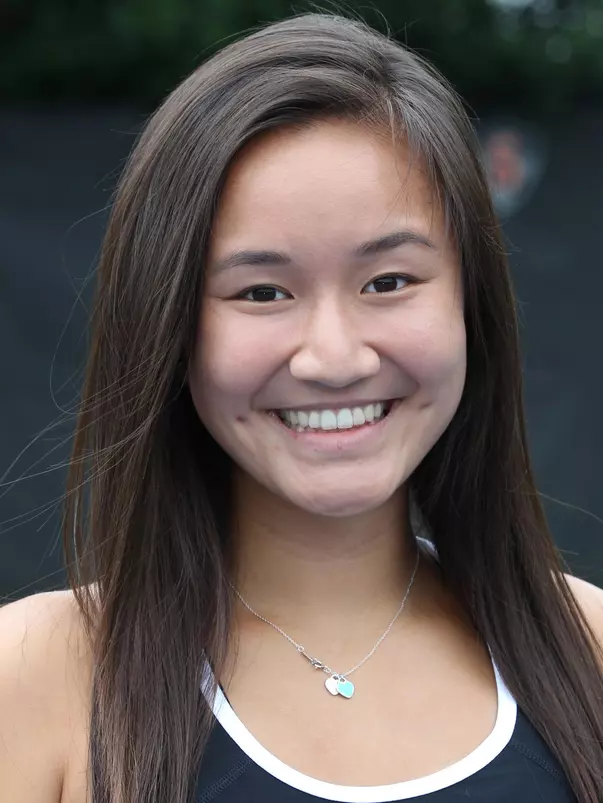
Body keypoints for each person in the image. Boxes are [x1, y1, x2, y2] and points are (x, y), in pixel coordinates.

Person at [1, 11, 602, 803]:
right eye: (262, 291)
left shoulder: (586, 648)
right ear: (171, 325)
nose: (333, 357)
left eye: (388, 281)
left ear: (470, 305)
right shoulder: (35, 674)